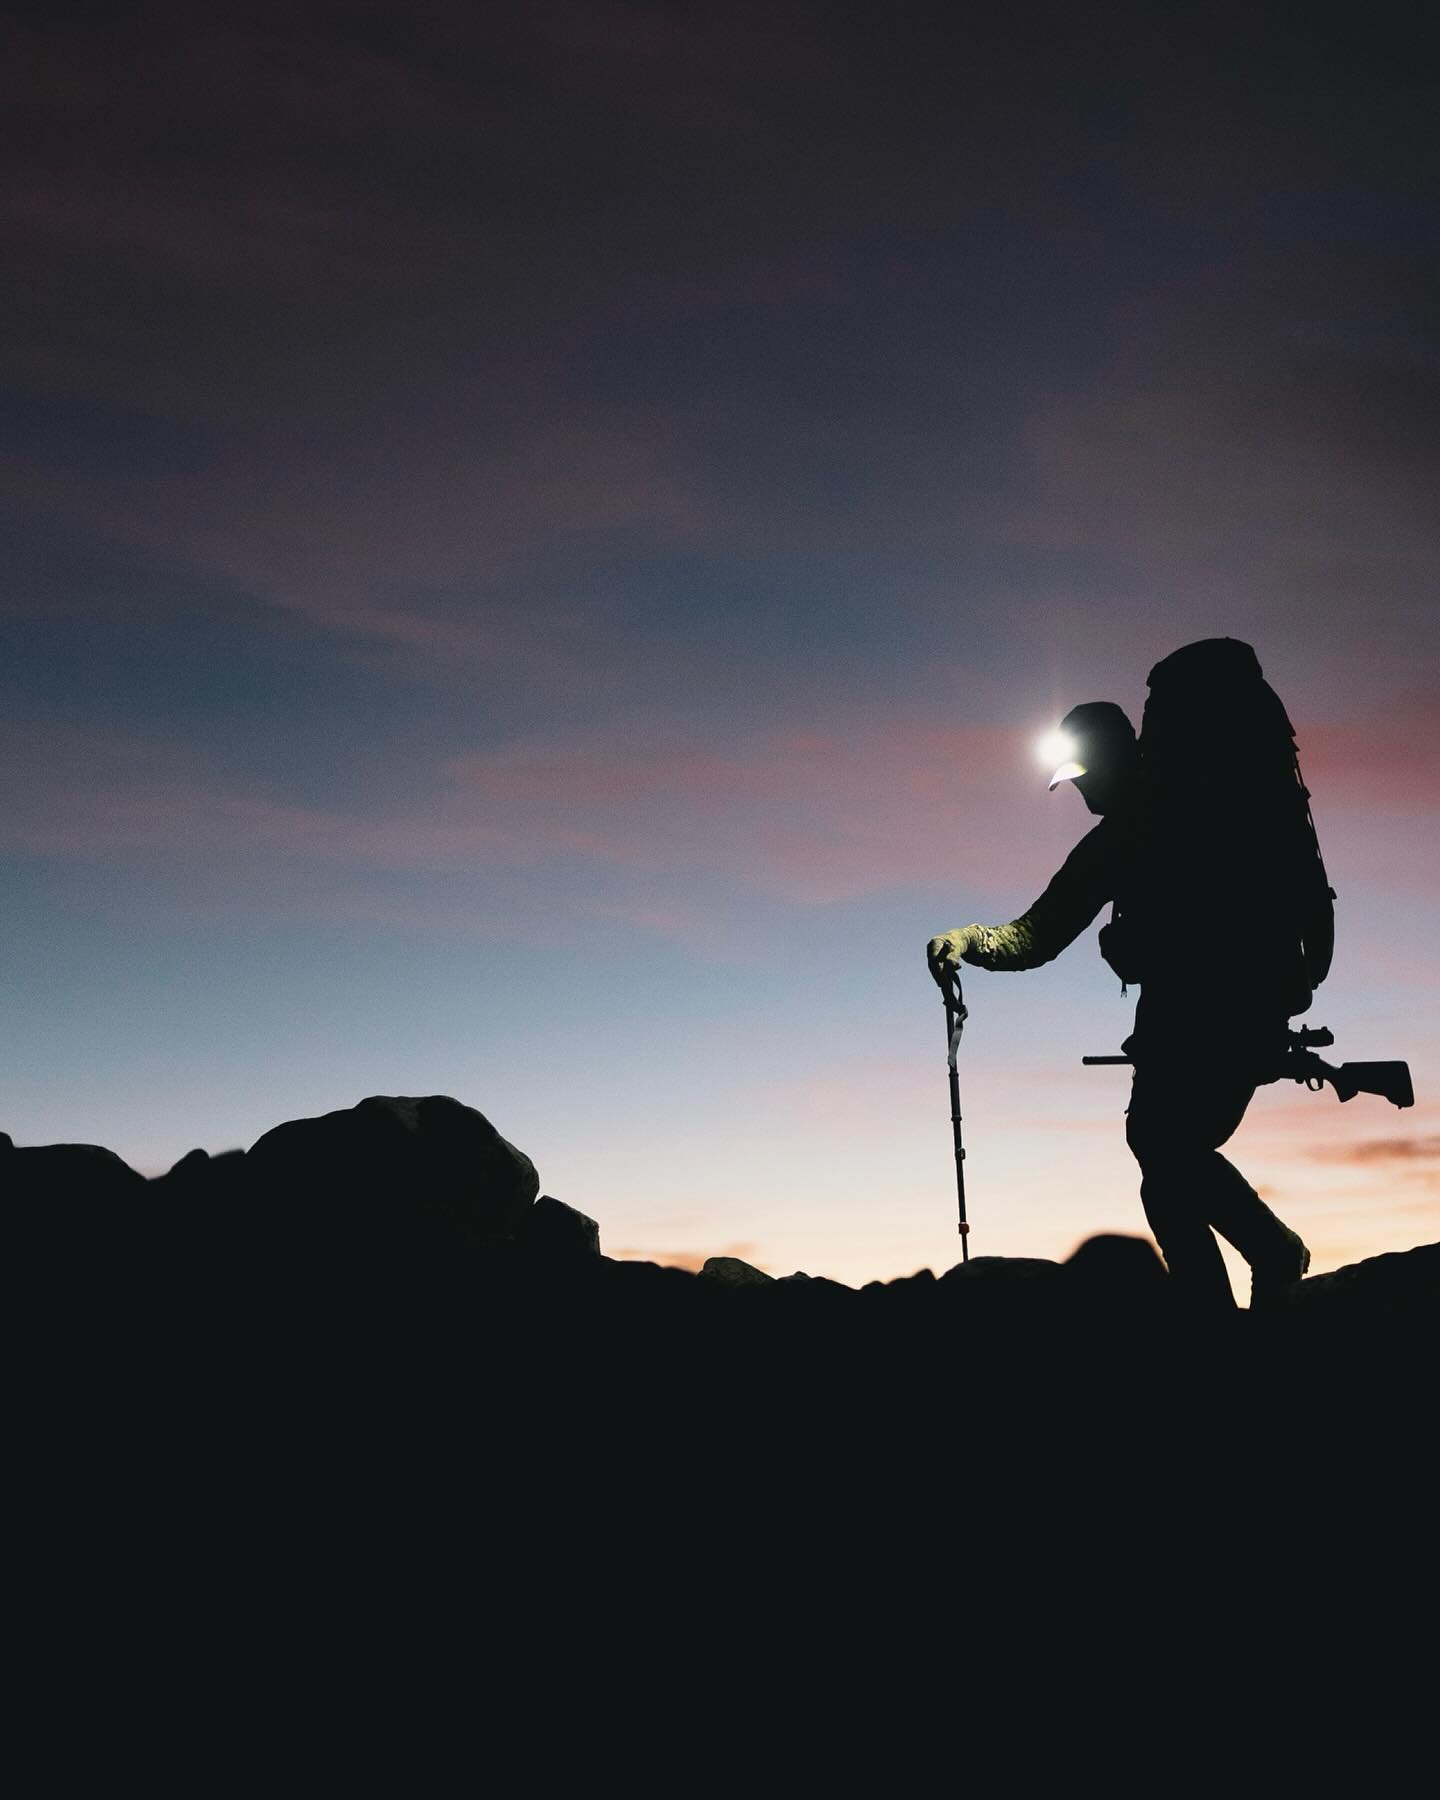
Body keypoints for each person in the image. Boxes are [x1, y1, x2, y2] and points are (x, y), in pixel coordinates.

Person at [926, 694, 1311, 1311]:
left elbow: (1043, 935)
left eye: (1082, 778)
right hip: (1192, 1022)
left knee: (1165, 1149)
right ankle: (1215, 1305)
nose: (1079, 794)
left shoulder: (1166, 822)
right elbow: (1037, 934)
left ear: (1108, 759)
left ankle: (1265, 1257)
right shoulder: (1122, 838)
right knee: (1162, 1162)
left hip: (1224, 1017)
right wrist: (968, 940)